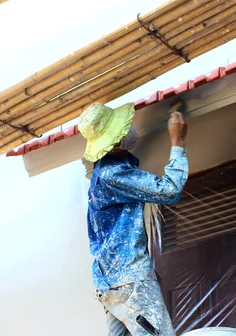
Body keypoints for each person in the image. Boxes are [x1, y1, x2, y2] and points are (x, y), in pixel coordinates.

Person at [79, 101, 188, 336]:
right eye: (123, 128)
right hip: (128, 280)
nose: (129, 129)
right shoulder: (113, 175)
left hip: (110, 283)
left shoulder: (101, 176)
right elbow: (169, 190)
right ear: (115, 142)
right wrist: (178, 141)